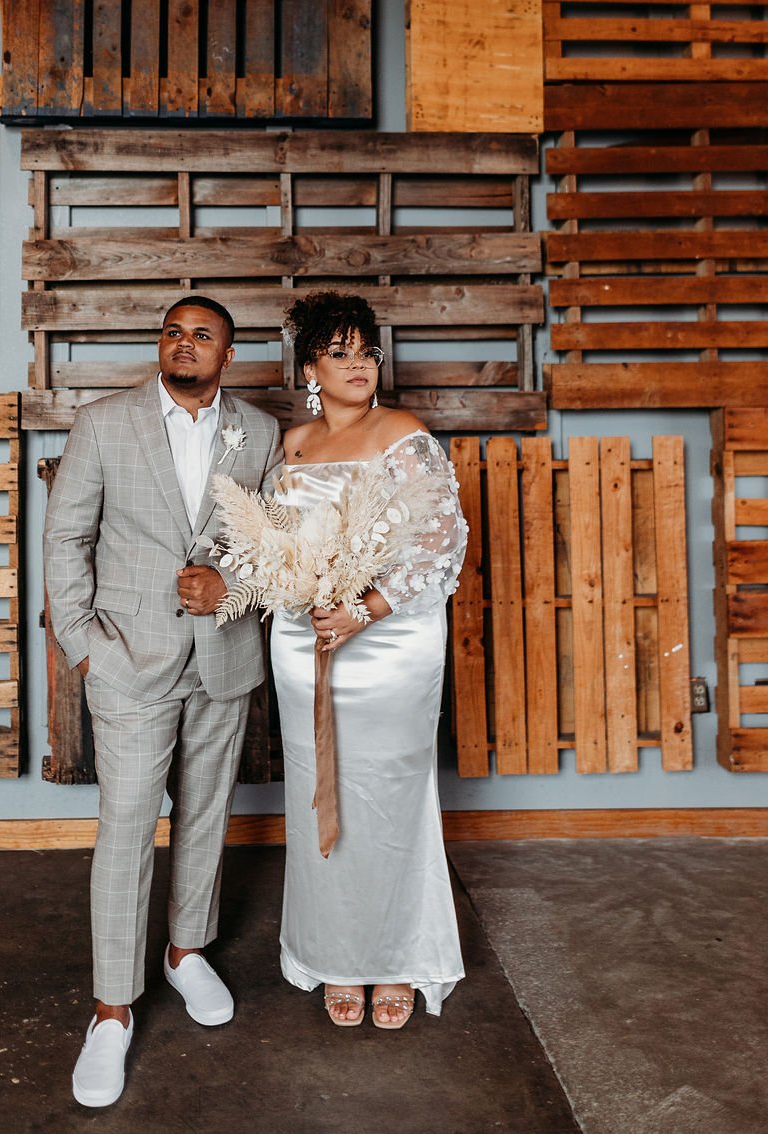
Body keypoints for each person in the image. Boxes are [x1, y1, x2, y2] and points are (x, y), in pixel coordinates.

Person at [44, 296, 282, 1107]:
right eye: (174, 331)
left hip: (223, 657)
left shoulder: (261, 430)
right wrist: (86, 649)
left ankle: (186, 952)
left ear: (229, 353)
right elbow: (66, 538)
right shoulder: (105, 422)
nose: (185, 343)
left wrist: (231, 587)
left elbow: (272, 546)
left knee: (208, 813)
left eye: (203, 334)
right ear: (162, 345)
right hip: (128, 661)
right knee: (126, 824)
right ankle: (112, 1008)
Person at [271, 291, 468, 1030]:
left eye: (367, 352)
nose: (359, 366)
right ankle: (334, 955)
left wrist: (365, 609)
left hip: (390, 640)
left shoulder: (403, 433)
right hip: (306, 638)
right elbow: (275, 543)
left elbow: (439, 543)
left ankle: (396, 956)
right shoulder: (291, 446)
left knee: (386, 796)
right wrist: (297, 593)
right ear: (310, 368)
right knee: (319, 792)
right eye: (340, 353)